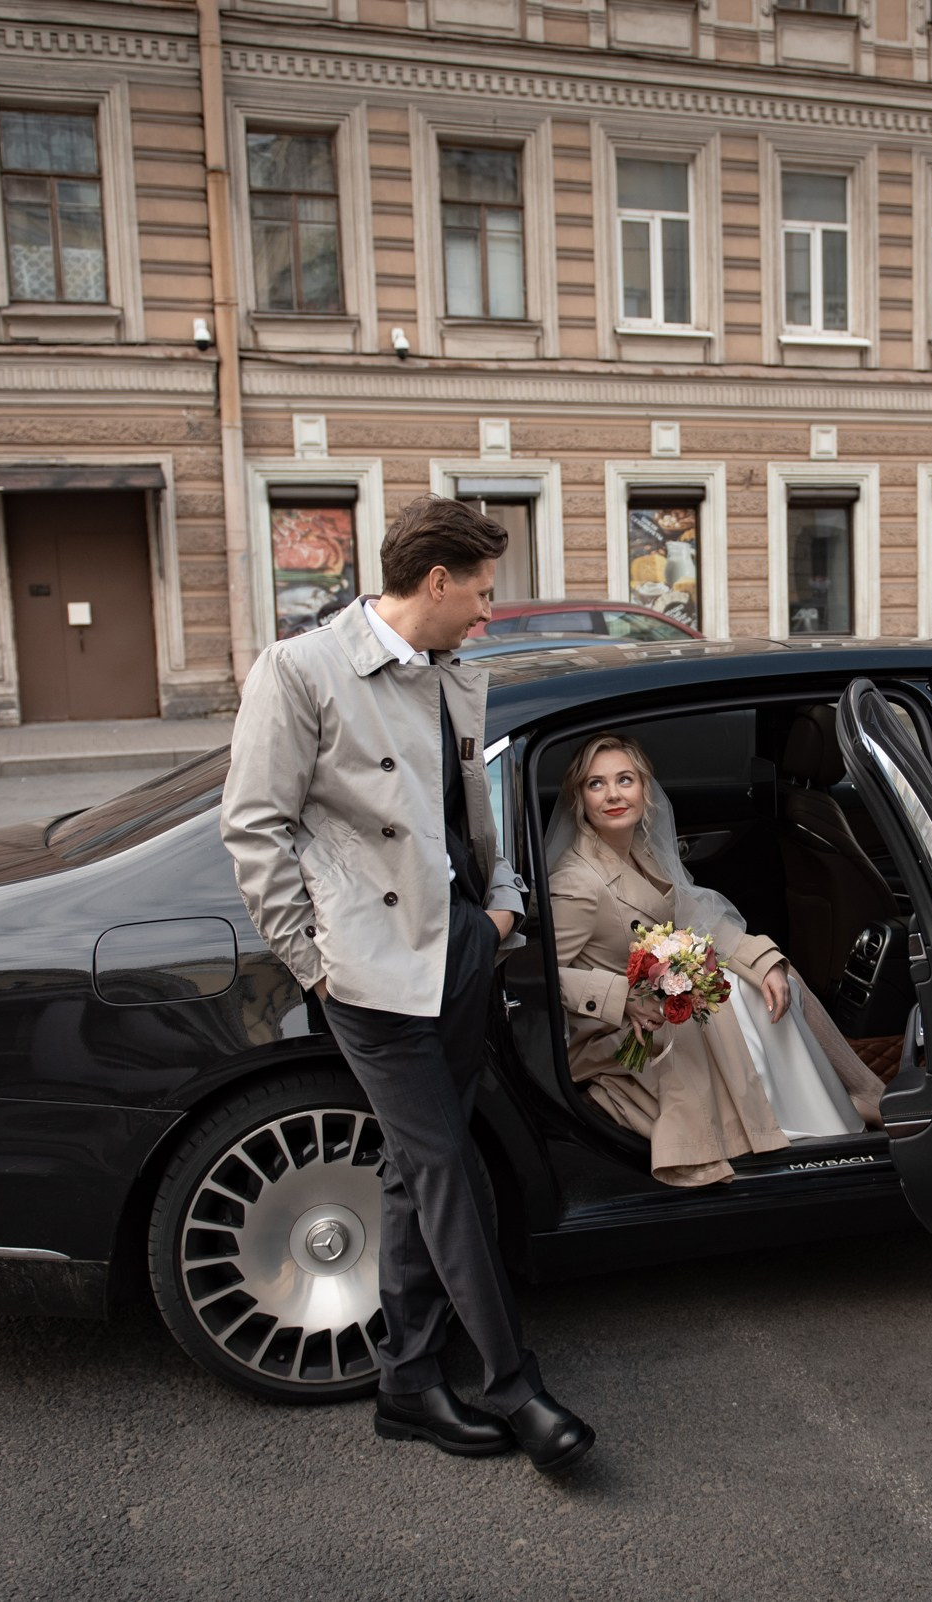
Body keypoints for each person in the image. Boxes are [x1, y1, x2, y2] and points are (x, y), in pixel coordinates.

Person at [220, 495, 594, 1473]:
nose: (487, 610)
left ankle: (409, 1380)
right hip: (372, 969)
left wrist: (498, 912)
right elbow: (254, 828)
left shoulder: (446, 675)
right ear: (436, 581)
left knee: (410, 1171)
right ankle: (514, 1385)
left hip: (458, 949)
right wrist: (315, 964)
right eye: (481, 590)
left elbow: (473, 817)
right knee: (447, 1170)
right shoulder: (303, 670)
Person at [546, 732, 886, 1187]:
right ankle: (787, 1120)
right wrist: (622, 997)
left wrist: (764, 960)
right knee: (731, 993)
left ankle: (851, 1097)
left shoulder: (639, 854)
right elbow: (540, 976)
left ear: (645, 789)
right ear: (579, 798)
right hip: (612, 1035)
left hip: (654, 1011)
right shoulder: (576, 882)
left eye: (625, 780)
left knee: (771, 977)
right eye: (596, 784)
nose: (612, 795)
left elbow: (696, 920)